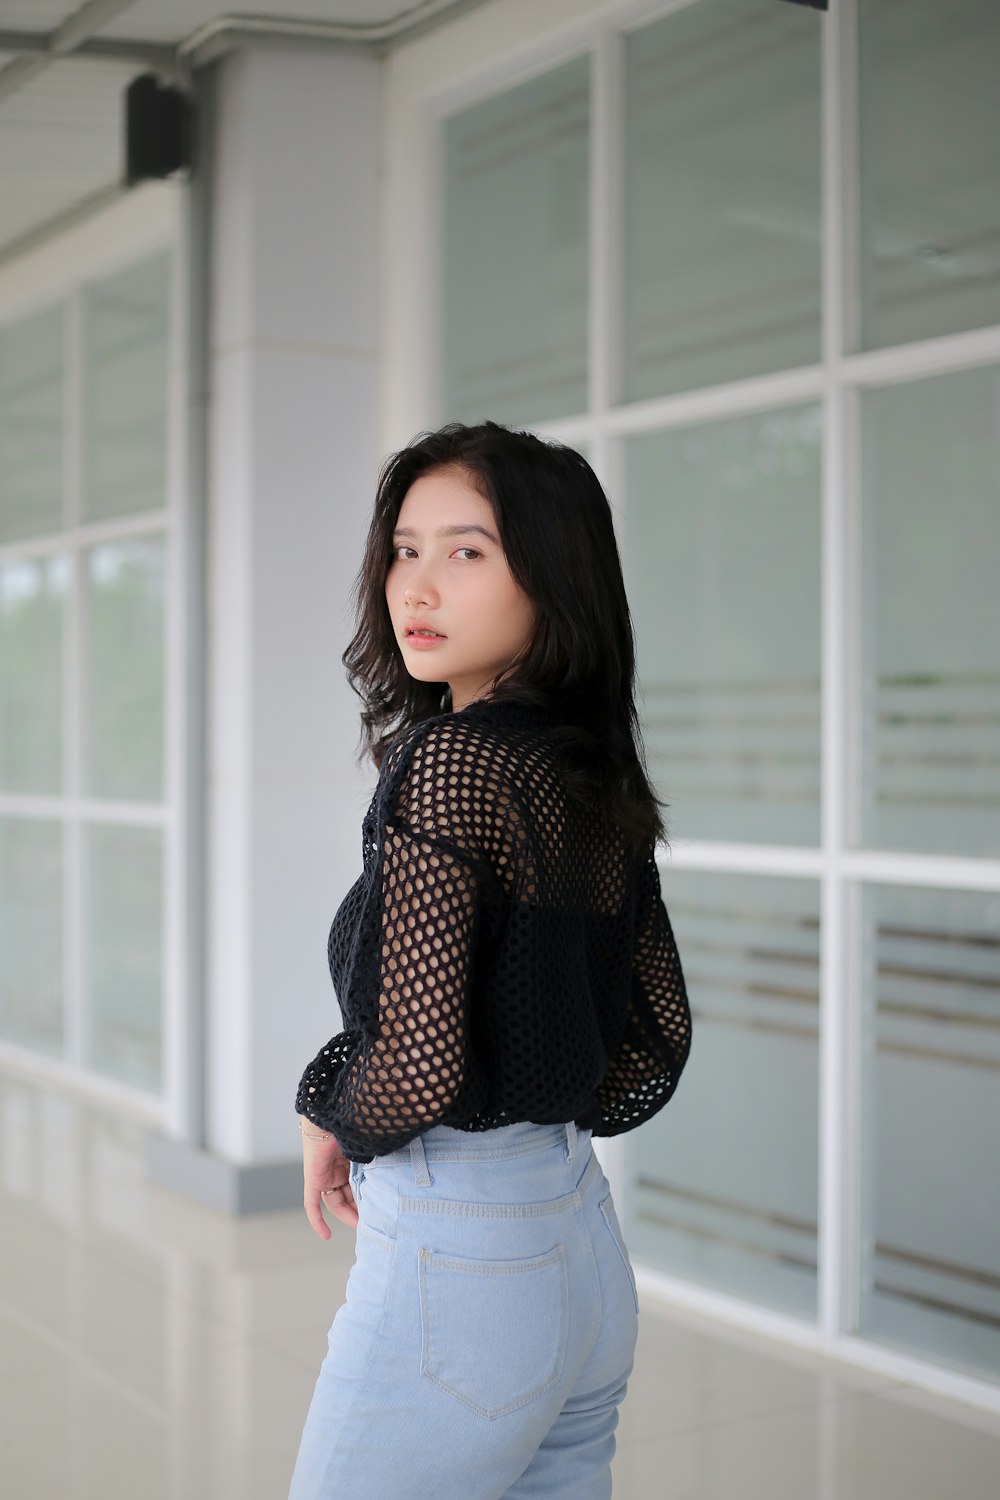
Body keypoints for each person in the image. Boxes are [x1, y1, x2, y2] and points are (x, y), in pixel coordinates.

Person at [288, 420, 692, 1500]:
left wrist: (334, 1102)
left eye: (466, 551)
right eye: (404, 549)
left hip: (463, 1258)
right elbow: (653, 1039)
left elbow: (417, 1067)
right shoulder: (589, 770)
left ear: (553, 580)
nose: (416, 586)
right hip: (579, 1247)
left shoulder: (451, 764)